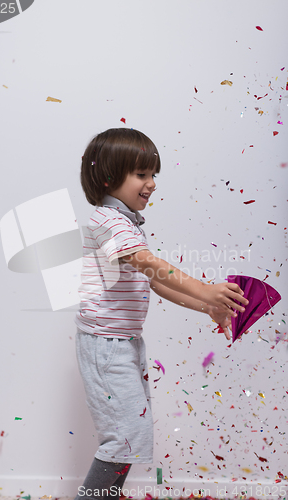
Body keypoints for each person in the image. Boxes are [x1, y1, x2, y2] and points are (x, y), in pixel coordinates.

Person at [74, 128, 248, 500]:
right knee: (122, 438)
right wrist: (207, 288)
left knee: (131, 435)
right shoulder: (108, 221)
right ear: (108, 177)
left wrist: (208, 306)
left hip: (123, 343)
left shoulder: (125, 224)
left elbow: (155, 281)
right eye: (141, 174)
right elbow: (147, 261)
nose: (151, 184)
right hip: (106, 347)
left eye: (154, 175)